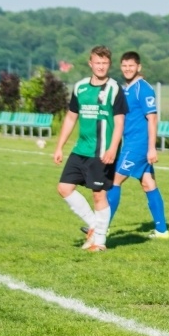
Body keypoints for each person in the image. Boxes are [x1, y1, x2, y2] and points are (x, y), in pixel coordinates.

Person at [54, 45, 126, 252]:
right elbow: (71, 117)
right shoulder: (80, 87)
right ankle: (94, 225)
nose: (101, 66)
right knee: (64, 188)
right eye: (97, 62)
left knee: (98, 195)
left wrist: (113, 148)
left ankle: (100, 242)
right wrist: (59, 146)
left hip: (102, 152)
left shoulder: (114, 88)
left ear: (109, 65)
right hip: (80, 150)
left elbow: (119, 122)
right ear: (90, 63)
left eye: (105, 63)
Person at [103, 51, 169, 238]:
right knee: (148, 184)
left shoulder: (143, 88)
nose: (127, 69)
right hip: (131, 143)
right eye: (124, 66)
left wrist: (151, 148)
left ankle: (101, 227)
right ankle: (162, 230)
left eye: (131, 66)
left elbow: (152, 119)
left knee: (114, 180)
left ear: (139, 67)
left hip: (138, 145)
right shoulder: (127, 88)